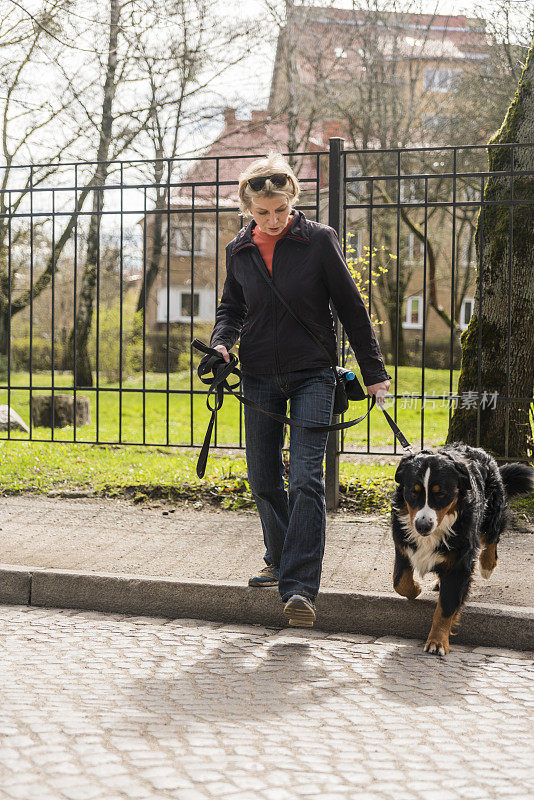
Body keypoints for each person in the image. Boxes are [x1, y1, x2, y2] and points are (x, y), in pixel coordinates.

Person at [209, 152, 391, 627]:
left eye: (280, 210)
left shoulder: (318, 241)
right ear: (247, 208)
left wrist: (373, 372)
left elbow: (352, 308)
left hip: (313, 372)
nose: (272, 220)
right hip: (259, 375)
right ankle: (279, 557)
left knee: (307, 477)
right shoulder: (239, 249)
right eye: (262, 213)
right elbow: (231, 308)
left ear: (293, 200)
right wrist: (222, 345)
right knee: (264, 476)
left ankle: (300, 590)